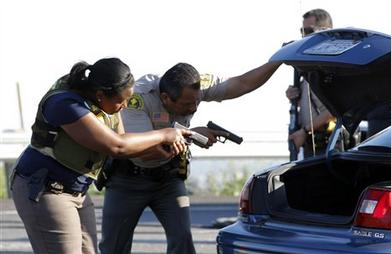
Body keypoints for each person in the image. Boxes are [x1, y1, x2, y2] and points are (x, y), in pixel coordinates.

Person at [10, 57, 192, 254]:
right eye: (120, 101)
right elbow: (117, 146)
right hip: (45, 188)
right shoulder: (65, 104)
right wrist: (165, 133)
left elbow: (122, 140)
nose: (124, 106)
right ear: (100, 95)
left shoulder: (107, 102)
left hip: (76, 190)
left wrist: (158, 148)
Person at [99, 60, 282, 254]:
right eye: (187, 104)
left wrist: (278, 61)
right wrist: (192, 134)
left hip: (168, 180)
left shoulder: (195, 86)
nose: (194, 108)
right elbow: (144, 153)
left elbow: (242, 84)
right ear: (165, 97)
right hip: (129, 180)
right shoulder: (138, 98)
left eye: (197, 101)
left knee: (183, 242)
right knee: (114, 247)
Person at [286, 8, 336, 158]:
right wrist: (294, 96)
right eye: (302, 30)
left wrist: (305, 130)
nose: (303, 35)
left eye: (308, 31)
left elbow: (334, 110)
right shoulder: (310, 66)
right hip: (310, 144)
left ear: (324, 31)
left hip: (328, 145)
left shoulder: (333, 66)